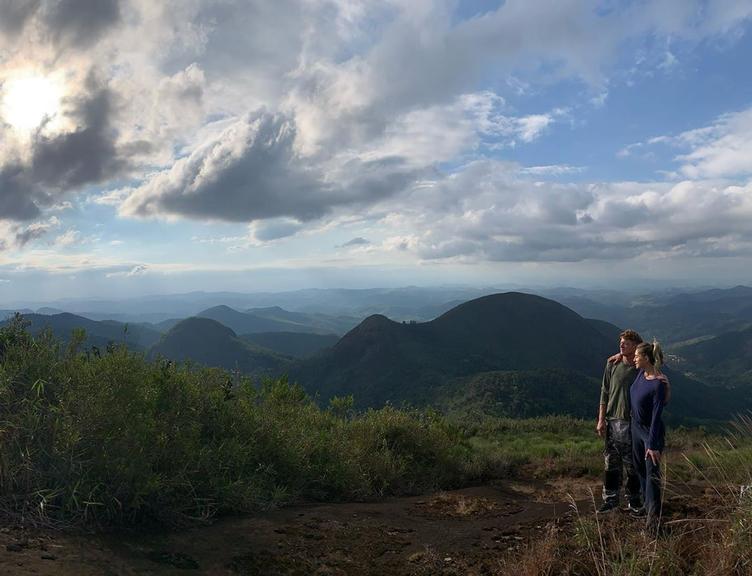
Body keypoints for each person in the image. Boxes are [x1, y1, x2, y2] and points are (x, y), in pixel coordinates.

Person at [596, 330, 643, 513]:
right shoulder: (612, 364)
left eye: (627, 343)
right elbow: (604, 392)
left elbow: (654, 353)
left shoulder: (640, 366)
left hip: (631, 422)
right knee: (611, 464)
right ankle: (610, 500)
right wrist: (601, 419)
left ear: (636, 347)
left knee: (632, 465)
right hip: (612, 420)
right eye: (621, 342)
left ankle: (634, 500)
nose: (622, 345)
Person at [630, 341, 667, 530]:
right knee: (640, 469)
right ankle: (647, 507)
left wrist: (652, 444)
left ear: (645, 358)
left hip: (650, 433)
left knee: (651, 474)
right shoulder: (641, 374)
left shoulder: (658, 384)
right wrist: (619, 356)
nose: (634, 358)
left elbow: (656, 416)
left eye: (637, 356)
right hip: (635, 428)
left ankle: (653, 522)